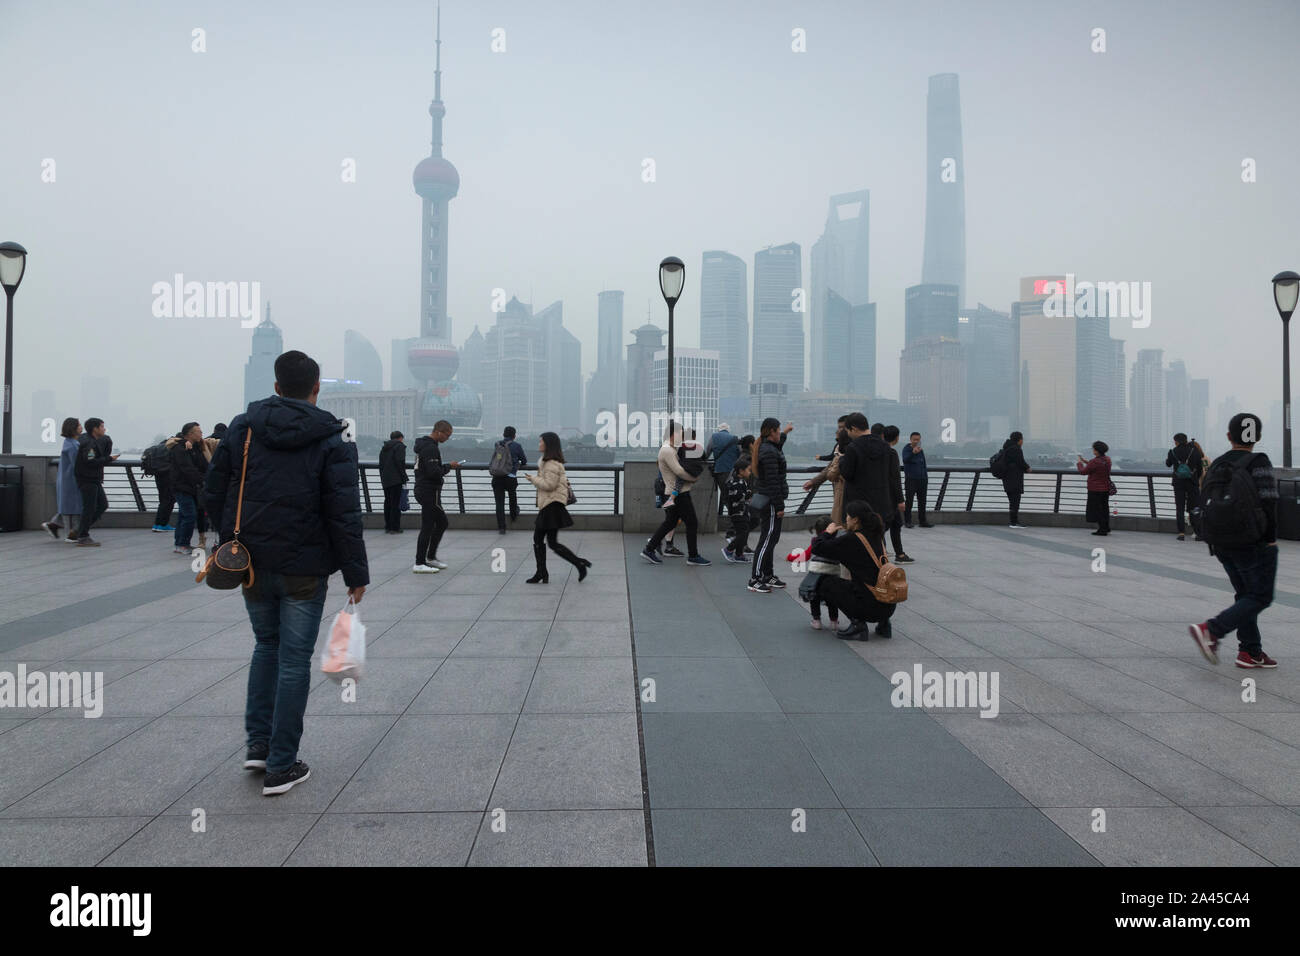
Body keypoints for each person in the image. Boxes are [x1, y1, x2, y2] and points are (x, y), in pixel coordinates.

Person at [205, 350, 368, 796]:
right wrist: (356, 571)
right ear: (315, 389)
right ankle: (281, 765)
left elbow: (213, 489)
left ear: (276, 387)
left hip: (252, 562)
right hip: (304, 567)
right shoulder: (332, 438)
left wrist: (229, 538)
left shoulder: (244, 427)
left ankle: (259, 747)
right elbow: (343, 514)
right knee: (294, 661)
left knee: (266, 648)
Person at [1188, 413, 1279, 670]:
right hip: (1252, 542)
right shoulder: (1259, 461)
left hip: (1221, 542)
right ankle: (1211, 630)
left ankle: (1250, 651)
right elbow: (1269, 501)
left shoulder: (1218, 463)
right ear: (1258, 437)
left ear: (1229, 436)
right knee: (1260, 596)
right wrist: (1270, 540)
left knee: (1245, 595)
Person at [810, 501, 897, 639]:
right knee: (866, 580)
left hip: (870, 608)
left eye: (848, 516)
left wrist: (827, 532)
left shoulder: (852, 539)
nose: (846, 519)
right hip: (888, 605)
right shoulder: (876, 534)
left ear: (855, 520)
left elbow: (818, 548)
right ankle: (884, 625)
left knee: (824, 583)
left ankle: (858, 626)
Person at [521, 431, 591, 583]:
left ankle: (543, 572)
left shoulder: (551, 463)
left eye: (541, 441)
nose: (539, 444)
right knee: (550, 542)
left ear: (548, 444)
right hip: (551, 505)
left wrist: (533, 479)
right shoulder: (548, 461)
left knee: (541, 539)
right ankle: (576, 564)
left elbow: (549, 485)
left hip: (551, 506)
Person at [642, 422, 711, 566]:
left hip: (674, 492)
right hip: (679, 494)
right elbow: (679, 471)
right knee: (692, 523)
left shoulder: (671, 449)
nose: (683, 436)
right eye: (681, 433)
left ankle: (649, 549)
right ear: (673, 433)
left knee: (670, 523)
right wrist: (694, 478)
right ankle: (693, 556)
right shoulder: (667, 450)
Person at [838, 413, 904, 544]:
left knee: (859, 540)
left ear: (854, 428)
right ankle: (881, 562)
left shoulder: (853, 447)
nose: (847, 434)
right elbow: (893, 476)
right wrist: (899, 499)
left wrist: (841, 459)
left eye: (847, 430)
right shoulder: (885, 447)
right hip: (882, 503)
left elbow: (847, 474)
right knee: (878, 539)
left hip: (858, 503)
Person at [748, 417, 791, 592]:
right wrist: (779, 506)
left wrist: (786, 433)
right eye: (779, 430)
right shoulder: (769, 451)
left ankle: (768, 574)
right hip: (771, 502)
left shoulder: (768, 448)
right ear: (771, 431)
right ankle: (755, 578)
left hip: (770, 499)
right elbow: (773, 481)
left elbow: (779, 445)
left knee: (771, 539)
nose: (780, 433)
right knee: (767, 540)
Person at [411, 420, 459, 573]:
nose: (448, 438)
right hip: (429, 491)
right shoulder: (430, 448)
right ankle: (420, 562)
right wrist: (448, 467)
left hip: (424, 489)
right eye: (447, 435)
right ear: (439, 432)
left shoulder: (423, 446)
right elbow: (433, 472)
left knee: (441, 523)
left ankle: (430, 557)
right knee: (428, 526)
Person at [73, 418, 116, 547]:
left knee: (102, 505)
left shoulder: (87, 439)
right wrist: (109, 459)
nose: (104, 429)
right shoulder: (89, 444)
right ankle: (83, 536)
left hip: (93, 479)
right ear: (95, 429)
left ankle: (80, 531)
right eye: (102, 427)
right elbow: (90, 461)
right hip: (87, 479)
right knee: (89, 508)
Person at [792, 516, 840, 631]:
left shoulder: (815, 541)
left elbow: (808, 553)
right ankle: (834, 622)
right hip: (832, 574)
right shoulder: (837, 542)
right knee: (832, 599)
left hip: (816, 574)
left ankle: (816, 621)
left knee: (814, 597)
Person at [168, 422, 208, 555]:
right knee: (190, 515)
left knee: (184, 515)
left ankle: (179, 544)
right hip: (181, 486)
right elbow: (187, 469)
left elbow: (201, 464)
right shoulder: (179, 448)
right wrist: (202, 480)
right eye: (198, 431)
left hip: (190, 487)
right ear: (190, 434)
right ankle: (182, 544)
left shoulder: (194, 447)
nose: (201, 433)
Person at [802, 415, 850, 525]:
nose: (839, 430)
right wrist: (813, 482)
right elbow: (830, 466)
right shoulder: (839, 446)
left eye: (842, 427)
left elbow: (831, 472)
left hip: (846, 494)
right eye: (839, 427)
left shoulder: (849, 448)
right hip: (839, 493)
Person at [43, 417, 83, 541]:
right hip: (71, 480)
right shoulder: (72, 446)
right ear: (73, 428)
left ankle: (55, 525)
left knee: (68, 506)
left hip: (66, 479)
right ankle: (71, 534)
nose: (81, 427)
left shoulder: (70, 443)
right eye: (79, 425)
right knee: (74, 508)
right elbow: (77, 464)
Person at [882, 425, 914, 563]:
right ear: (896, 438)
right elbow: (895, 478)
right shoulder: (891, 453)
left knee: (893, 523)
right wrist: (901, 500)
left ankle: (897, 553)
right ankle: (895, 554)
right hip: (891, 497)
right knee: (891, 524)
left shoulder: (879, 452)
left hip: (880, 493)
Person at [1166, 432, 1204, 541]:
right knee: (1194, 508)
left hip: (1178, 483)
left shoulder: (1173, 452)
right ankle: (1197, 533)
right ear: (1186, 440)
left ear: (1176, 441)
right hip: (1192, 483)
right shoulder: (1194, 451)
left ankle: (1181, 533)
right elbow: (1200, 468)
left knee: (1180, 507)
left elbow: (1168, 464)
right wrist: (1195, 478)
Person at [490, 426, 528, 534]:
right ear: (514, 436)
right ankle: (513, 516)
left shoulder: (497, 444)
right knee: (512, 498)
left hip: (497, 477)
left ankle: (502, 527)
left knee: (499, 503)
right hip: (510, 477)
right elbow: (524, 460)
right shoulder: (517, 446)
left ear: (503, 435)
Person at [720, 456, 753, 563]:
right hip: (738, 512)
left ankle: (739, 554)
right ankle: (729, 549)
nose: (750, 472)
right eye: (748, 470)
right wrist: (748, 494)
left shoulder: (740, 481)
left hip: (742, 512)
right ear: (741, 471)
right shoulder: (737, 483)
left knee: (742, 533)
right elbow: (737, 496)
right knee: (742, 533)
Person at [1076, 440, 1112, 535]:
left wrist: (1079, 463)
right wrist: (1086, 461)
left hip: (1095, 489)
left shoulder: (1094, 461)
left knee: (1097, 510)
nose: (1093, 450)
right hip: (1105, 489)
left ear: (1096, 450)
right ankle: (1106, 527)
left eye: (1093, 449)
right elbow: (1096, 466)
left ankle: (1102, 530)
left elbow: (1083, 472)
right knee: (1104, 509)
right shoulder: (1107, 459)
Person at [998, 431, 1032, 528]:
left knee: (1012, 501)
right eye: (1022, 439)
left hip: (1007, 478)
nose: (1023, 441)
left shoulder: (1007, 447)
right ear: (1019, 440)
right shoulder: (1016, 449)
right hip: (1014, 479)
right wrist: (1028, 468)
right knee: (1015, 501)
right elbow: (1020, 461)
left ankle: (1013, 521)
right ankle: (1014, 522)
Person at [707, 422, 741, 516]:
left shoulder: (714, 437)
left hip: (720, 471)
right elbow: (740, 453)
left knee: (725, 494)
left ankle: (731, 514)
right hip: (733, 472)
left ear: (719, 429)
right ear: (728, 430)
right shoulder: (735, 438)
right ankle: (735, 513)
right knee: (733, 494)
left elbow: (708, 452)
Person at [378, 430, 408, 534]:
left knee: (388, 502)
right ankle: (395, 527)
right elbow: (400, 463)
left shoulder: (384, 448)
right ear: (400, 438)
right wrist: (404, 477)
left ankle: (388, 526)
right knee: (396, 503)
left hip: (385, 479)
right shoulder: (399, 447)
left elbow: (381, 465)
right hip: (396, 479)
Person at [902, 431, 933, 529]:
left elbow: (923, 464)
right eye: (914, 439)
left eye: (918, 439)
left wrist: (925, 476)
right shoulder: (907, 449)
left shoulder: (921, 450)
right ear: (910, 439)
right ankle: (907, 521)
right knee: (909, 501)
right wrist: (913, 453)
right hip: (911, 479)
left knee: (922, 501)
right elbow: (905, 460)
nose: (916, 441)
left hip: (922, 479)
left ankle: (923, 521)